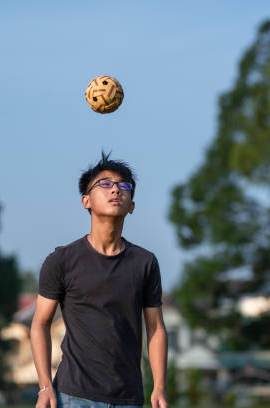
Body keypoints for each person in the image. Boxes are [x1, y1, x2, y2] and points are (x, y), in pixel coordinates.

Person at [31, 152, 168, 408]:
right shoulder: (62, 260)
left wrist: (159, 386)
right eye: (105, 184)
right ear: (86, 201)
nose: (116, 189)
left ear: (132, 205)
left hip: (129, 398)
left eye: (123, 185)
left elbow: (156, 328)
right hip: (74, 395)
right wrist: (45, 386)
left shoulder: (145, 262)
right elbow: (40, 324)